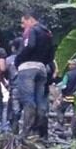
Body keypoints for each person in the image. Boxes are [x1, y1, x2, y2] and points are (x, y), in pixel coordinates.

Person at [17, 11, 55, 139]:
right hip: (42, 68)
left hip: (28, 68)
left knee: (28, 100)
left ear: (30, 20)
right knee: (40, 102)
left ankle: (25, 133)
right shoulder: (47, 33)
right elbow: (51, 55)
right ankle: (40, 134)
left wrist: (19, 59)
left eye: (23, 22)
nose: (23, 26)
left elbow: (30, 45)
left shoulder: (31, 30)